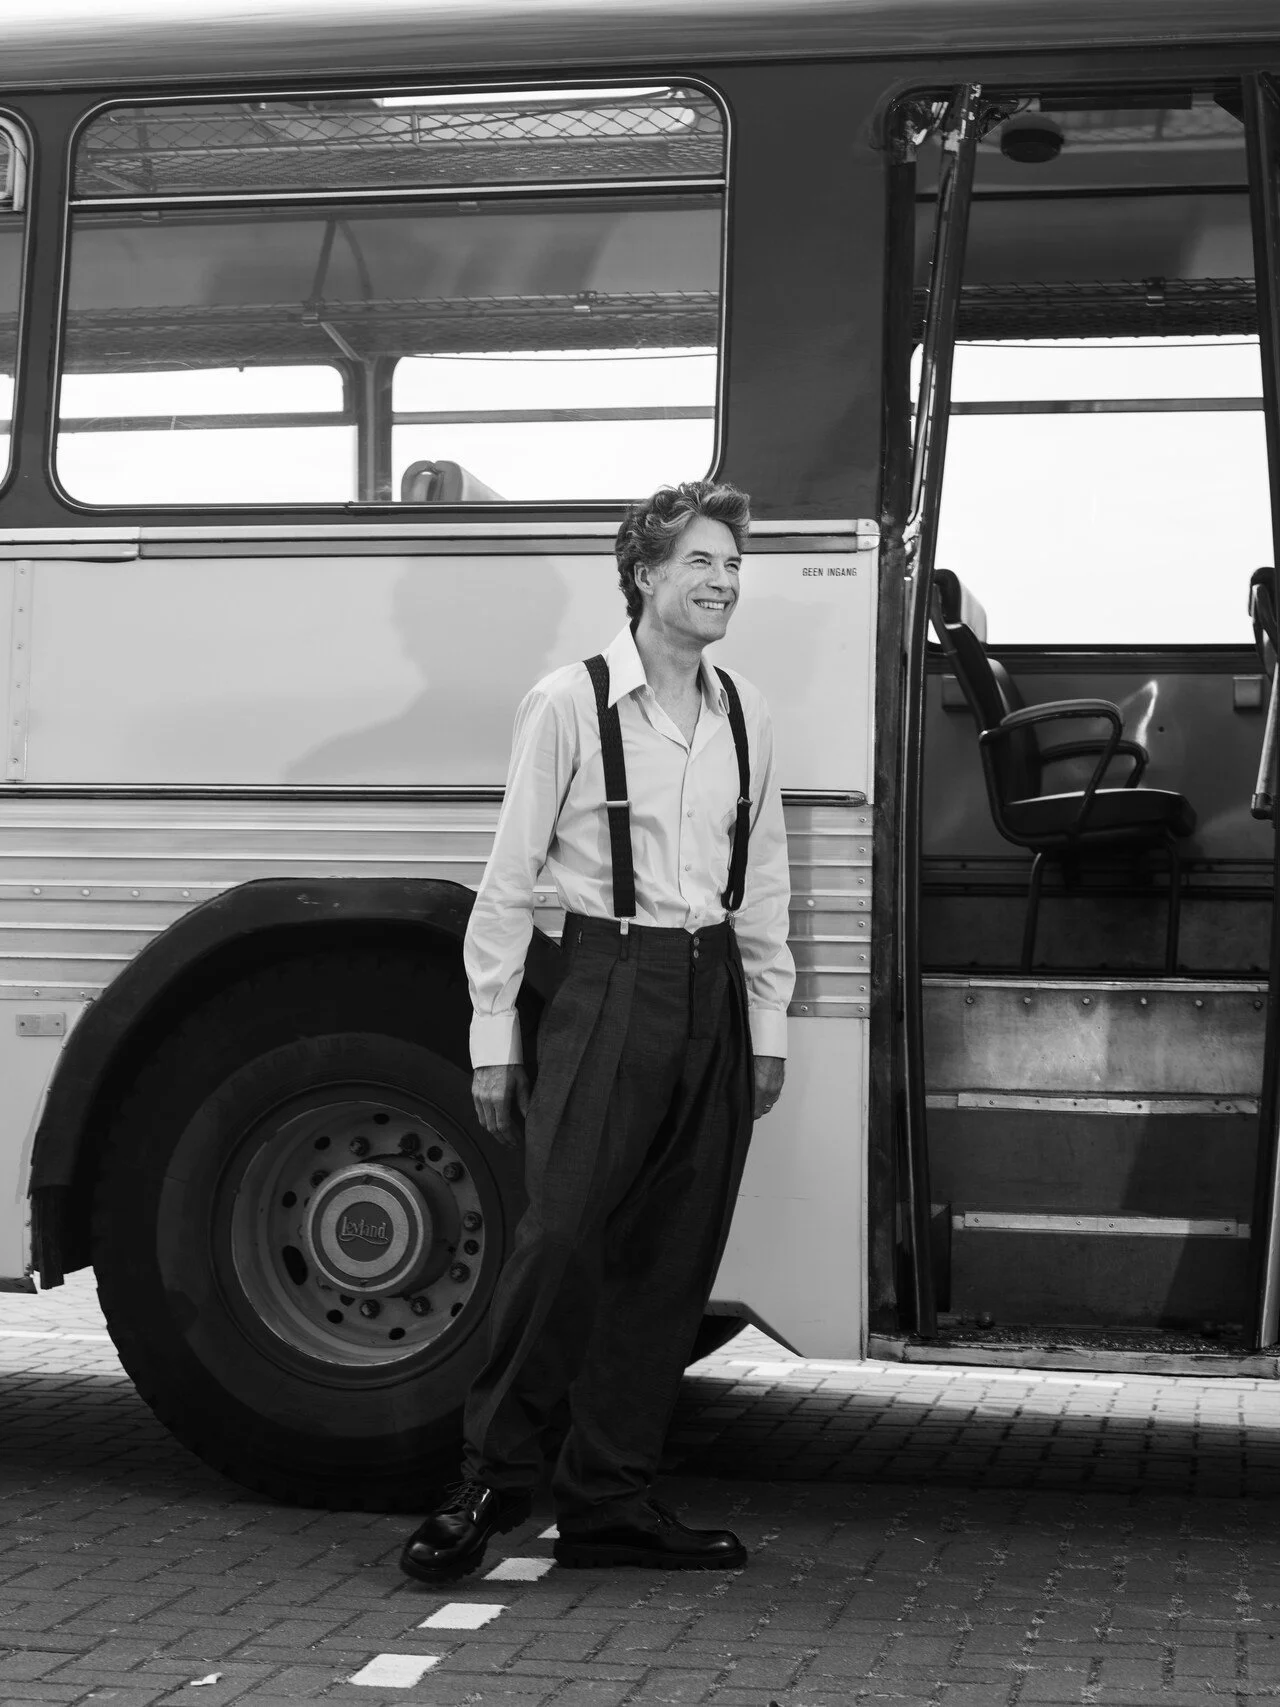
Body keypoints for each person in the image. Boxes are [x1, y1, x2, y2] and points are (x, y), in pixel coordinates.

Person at [400, 478, 794, 1581]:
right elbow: (507, 879)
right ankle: (485, 1485)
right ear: (644, 576)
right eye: (701, 565)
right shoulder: (567, 704)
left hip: (710, 989)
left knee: (670, 1260)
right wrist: (492, 1034)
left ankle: (611, 1498)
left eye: (731, 568)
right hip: (605, 980)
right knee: (560, 1239)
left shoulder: (746, 713)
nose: (721, 585)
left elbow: (761, 881)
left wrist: (765, 1022)